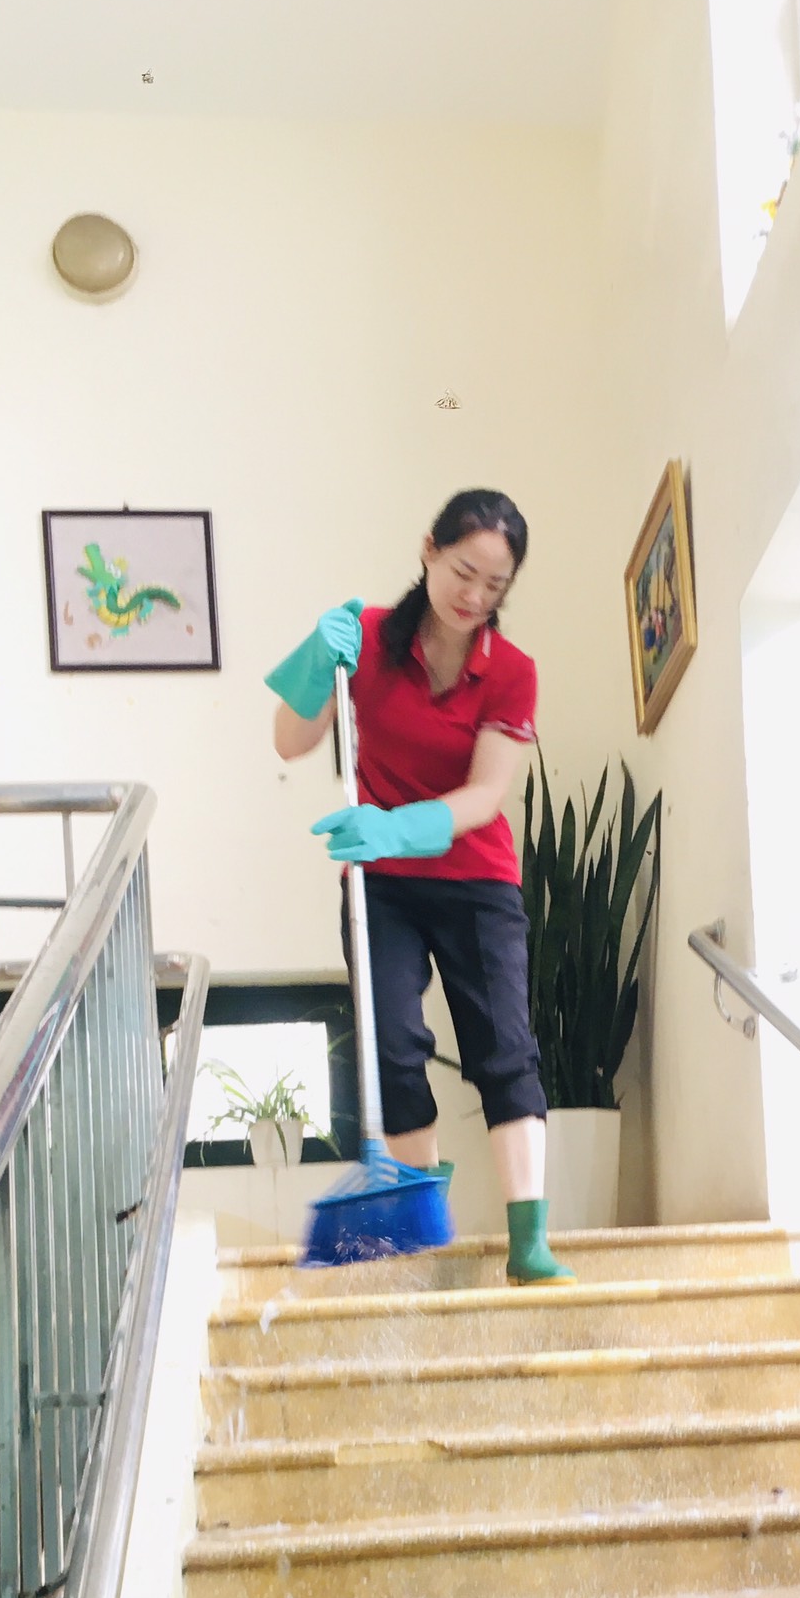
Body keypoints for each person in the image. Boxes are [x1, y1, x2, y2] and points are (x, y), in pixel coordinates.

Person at [265, 488, 570, 1284]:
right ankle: (421, 1221)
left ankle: (529, 1242)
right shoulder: (367, 638)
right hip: (383, 887)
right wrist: (315, 659)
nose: (474, 596)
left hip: (476, 878)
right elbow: (290, 740)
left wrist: (397, 827)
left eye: (495, 586)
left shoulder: (512, 673)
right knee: (393, 1049)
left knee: (504, 1050)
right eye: (464, 571)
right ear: (429, 549)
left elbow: (486, 794)